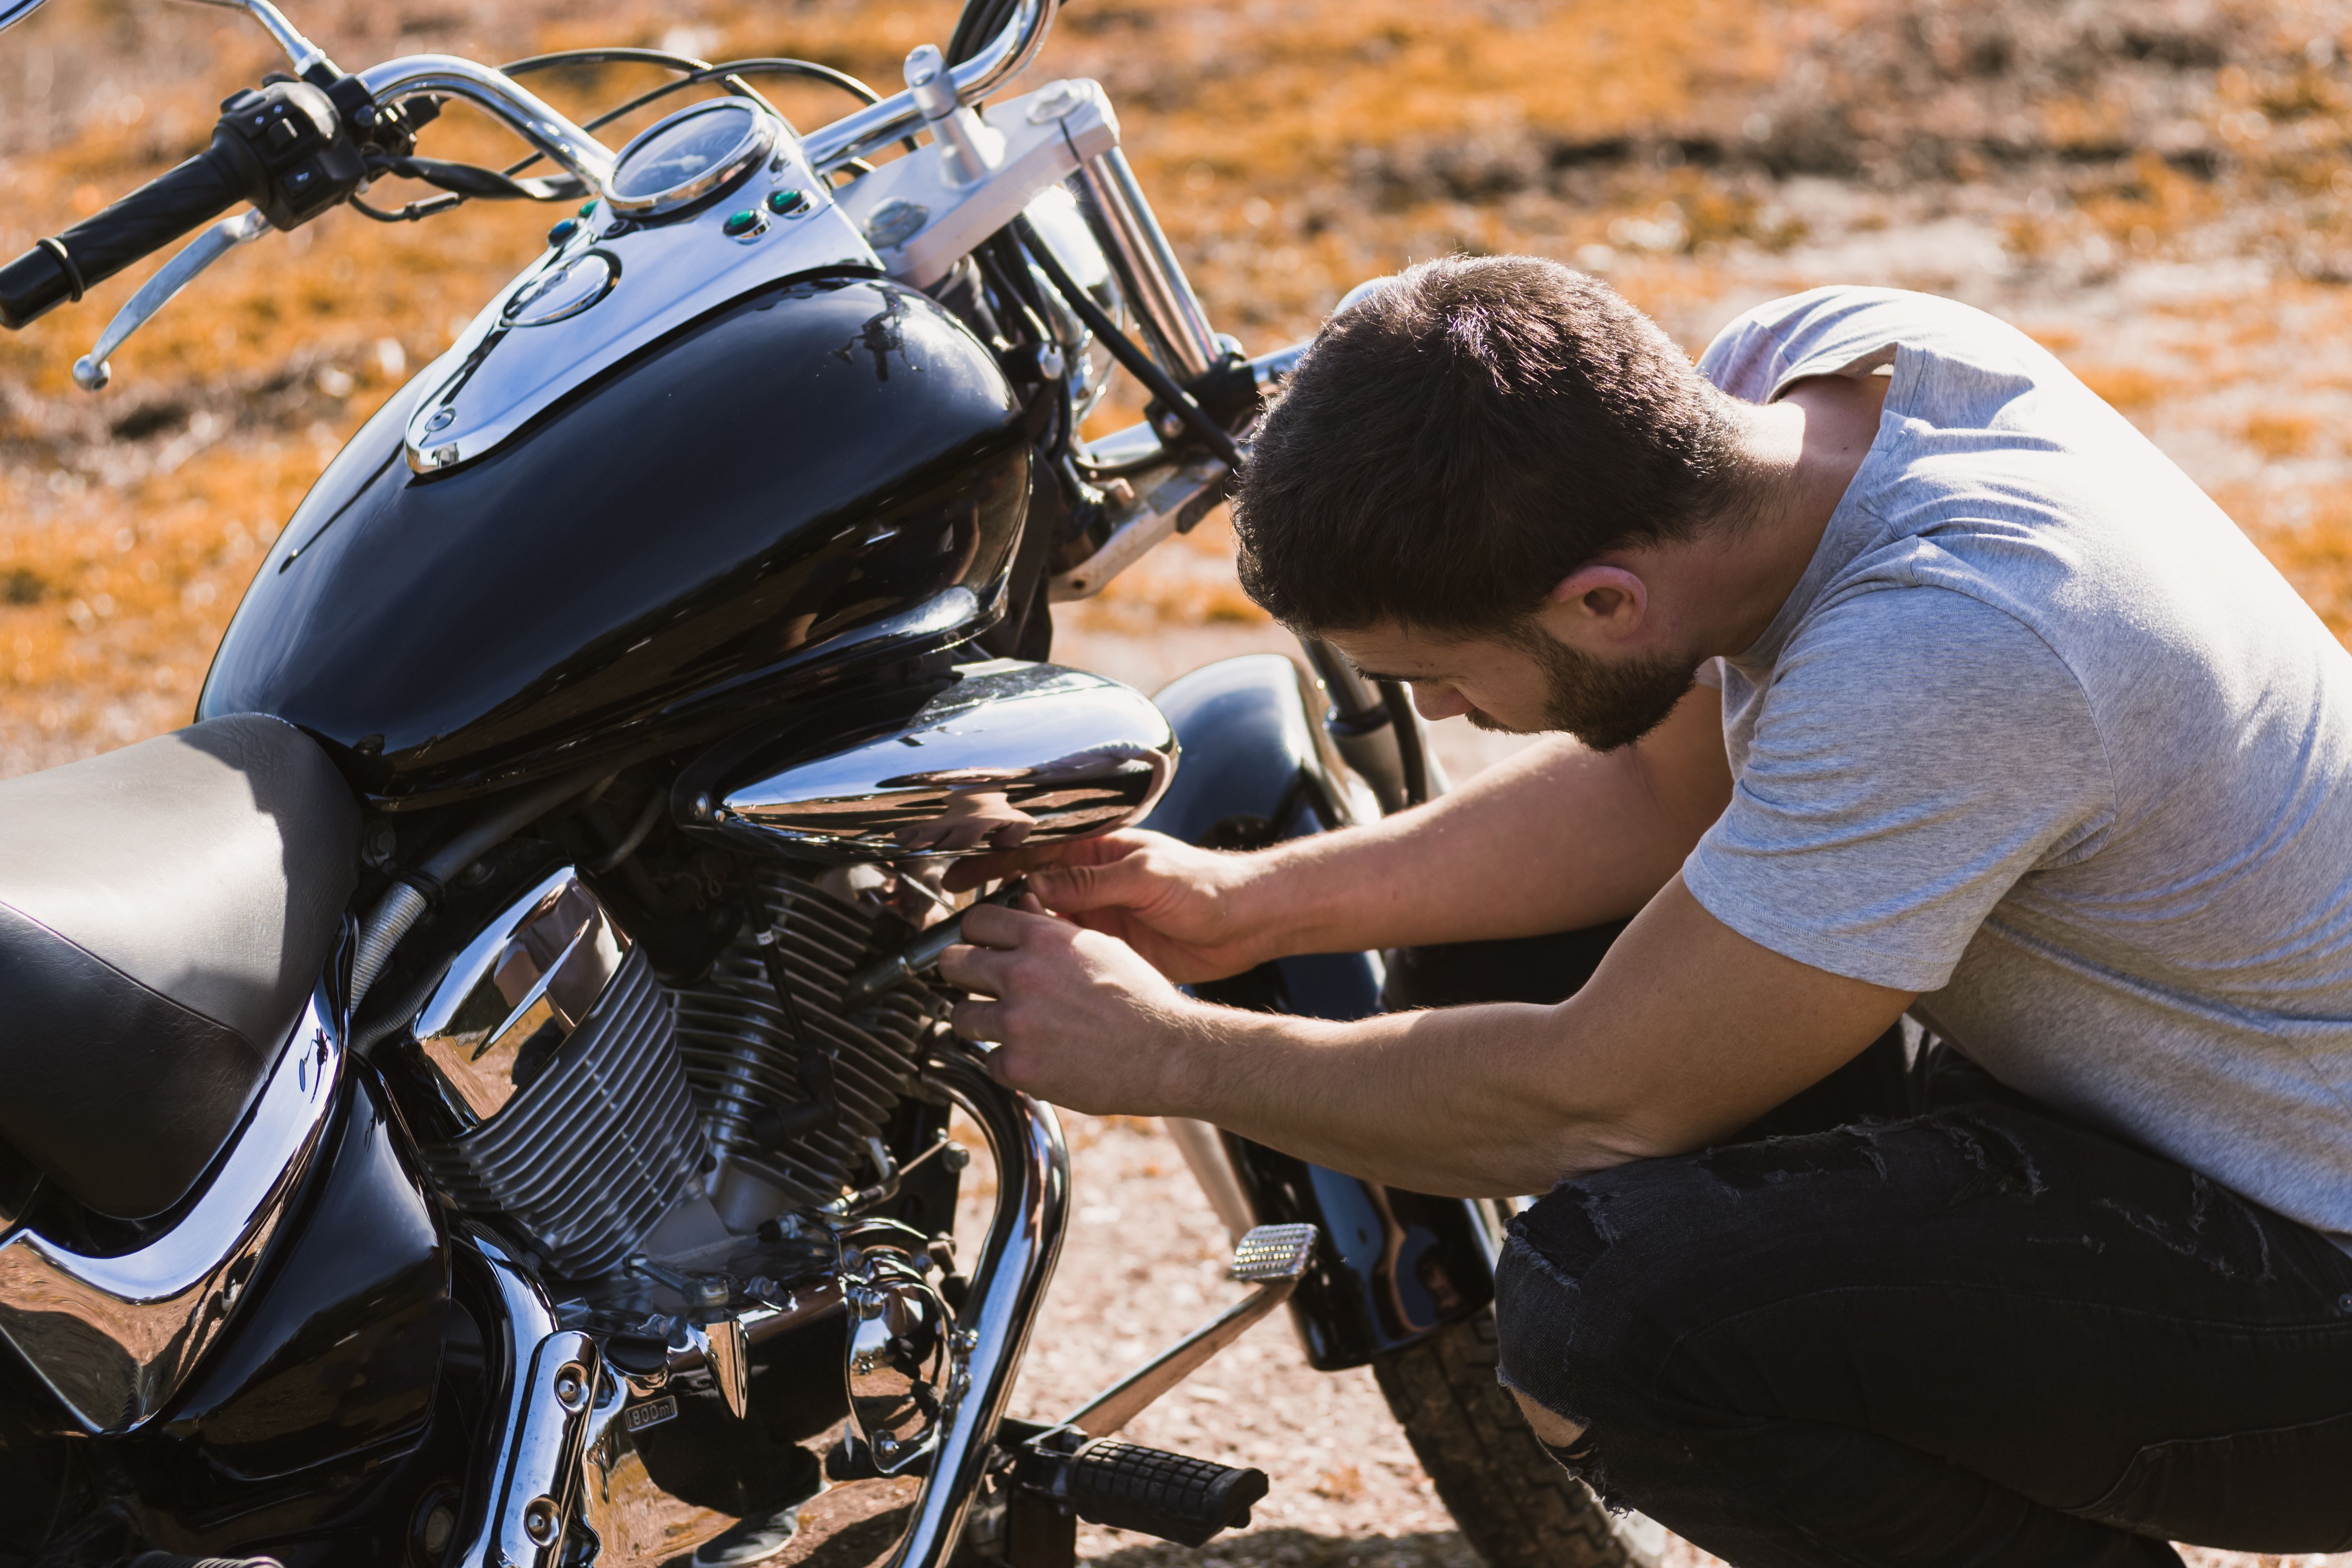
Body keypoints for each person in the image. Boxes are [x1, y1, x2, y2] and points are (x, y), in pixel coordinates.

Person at [935, 258, 2352, 1566]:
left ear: (1606, 603)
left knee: (1617, 1319)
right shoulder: (1810, 375)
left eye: (1438, 674)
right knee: (1503, 966)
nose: (1443, 713)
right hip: (2194, 1124)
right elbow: (1668, 795)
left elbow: (1595, 1103)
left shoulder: (1950, 647)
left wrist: (1168, 1055)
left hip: (2320, 1290)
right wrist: (1243, 908)